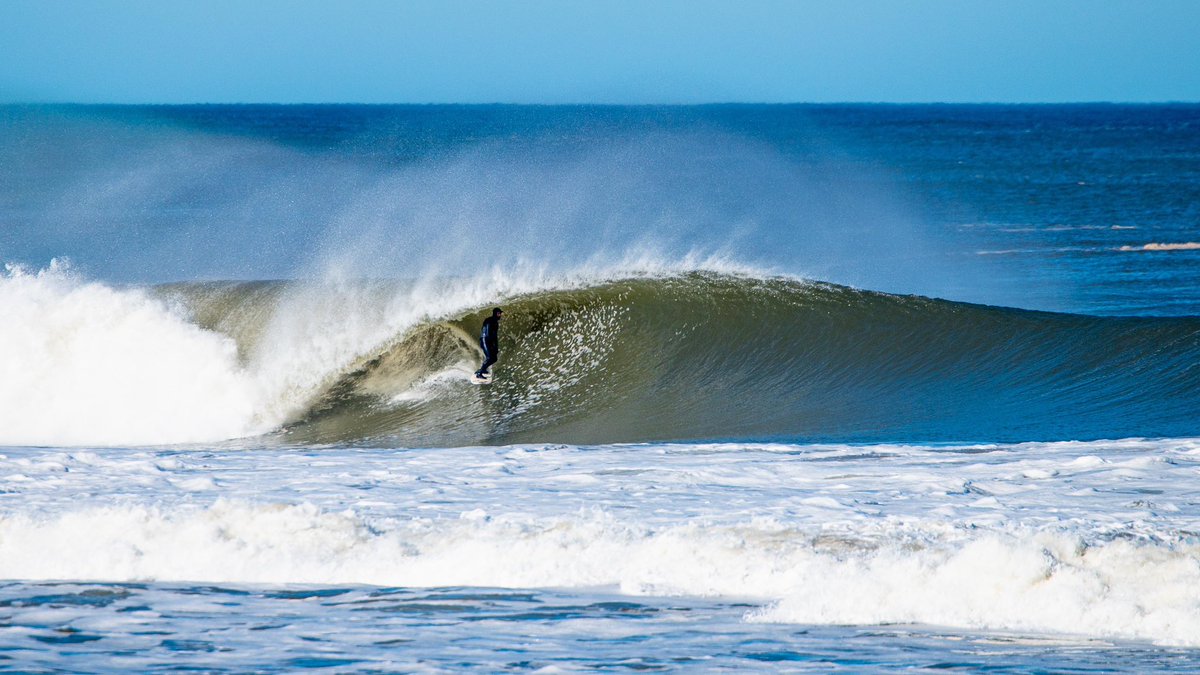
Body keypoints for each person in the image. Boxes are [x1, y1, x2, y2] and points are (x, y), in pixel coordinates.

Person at [475, 307, 503, 379]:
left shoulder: (496, 323)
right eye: (499, 313)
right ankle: (479, 373)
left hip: (489, 341)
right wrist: (491, 344)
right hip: (485, 340)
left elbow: (495, 336)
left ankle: (482, 369)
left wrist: (496, 346)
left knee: (494, 358)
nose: (500, 315)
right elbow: (487, 333)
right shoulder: (489, 320)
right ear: (495, 314)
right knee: (490, 357)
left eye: (500, 314)